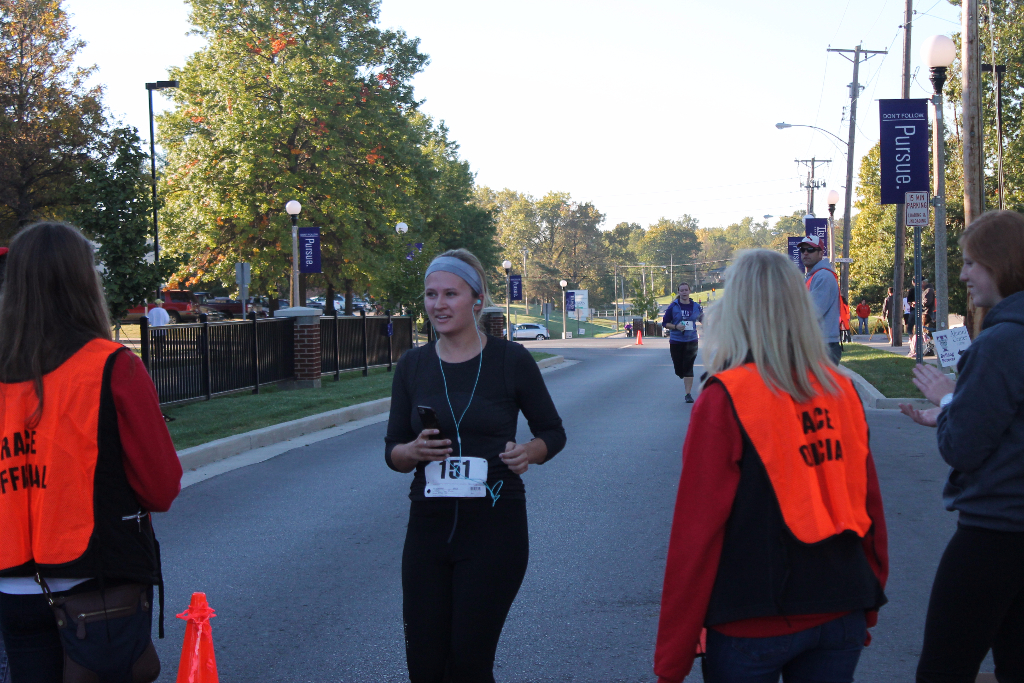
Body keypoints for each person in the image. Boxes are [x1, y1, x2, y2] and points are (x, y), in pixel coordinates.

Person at [655, 248, 888, 683]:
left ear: (734, 311)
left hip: (750, 617)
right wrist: (868, 597)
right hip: (841, 603)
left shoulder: (725, 396)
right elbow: (868, 507)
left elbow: (696, 533)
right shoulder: (840, 390)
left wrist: (673, 656)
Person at [0, 222, 182, 683]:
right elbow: (160, 487)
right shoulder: (113, 366)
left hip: (12, 584)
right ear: (85, 280)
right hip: (96, 585)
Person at [384, 248, 566, 682]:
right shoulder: (413, 365)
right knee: (425, 666)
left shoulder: (511, 360)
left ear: (477, 300)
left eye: (451, 294)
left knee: (468, 663)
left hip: (494, 527)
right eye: (431, 294)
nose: (438, 304)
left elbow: (553, 433)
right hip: (428, 528)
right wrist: (413, 452)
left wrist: (529, 452)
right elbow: (393, 451)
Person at [899, 210, 1024, 683]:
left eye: (972, 263)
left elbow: (964, 448)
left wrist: (950, 402)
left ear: (1002, 264)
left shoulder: (999, 343)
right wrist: (958, 407)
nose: (965, 275)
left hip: (993, 534)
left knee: (944, 668)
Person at [799, 235, 843, 363]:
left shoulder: (823, 276)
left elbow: (813, 312)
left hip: (823, 346)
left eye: (810, 249)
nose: (805, 253)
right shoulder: (812, 277)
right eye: (803, 250)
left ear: (820, 253)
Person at [662, 282, 704, 403]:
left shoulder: (696, 306)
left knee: (688, 367)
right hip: (676, 340)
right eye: (682, 290)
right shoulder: (673, 306)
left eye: (686, 290)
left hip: (691, 341)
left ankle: (688, 394)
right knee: (679, 369)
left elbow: (703, 319)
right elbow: (665, 323)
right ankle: (681, 373)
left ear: (689, 291)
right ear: (679, 292)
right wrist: (676, 326)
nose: (684, 292)